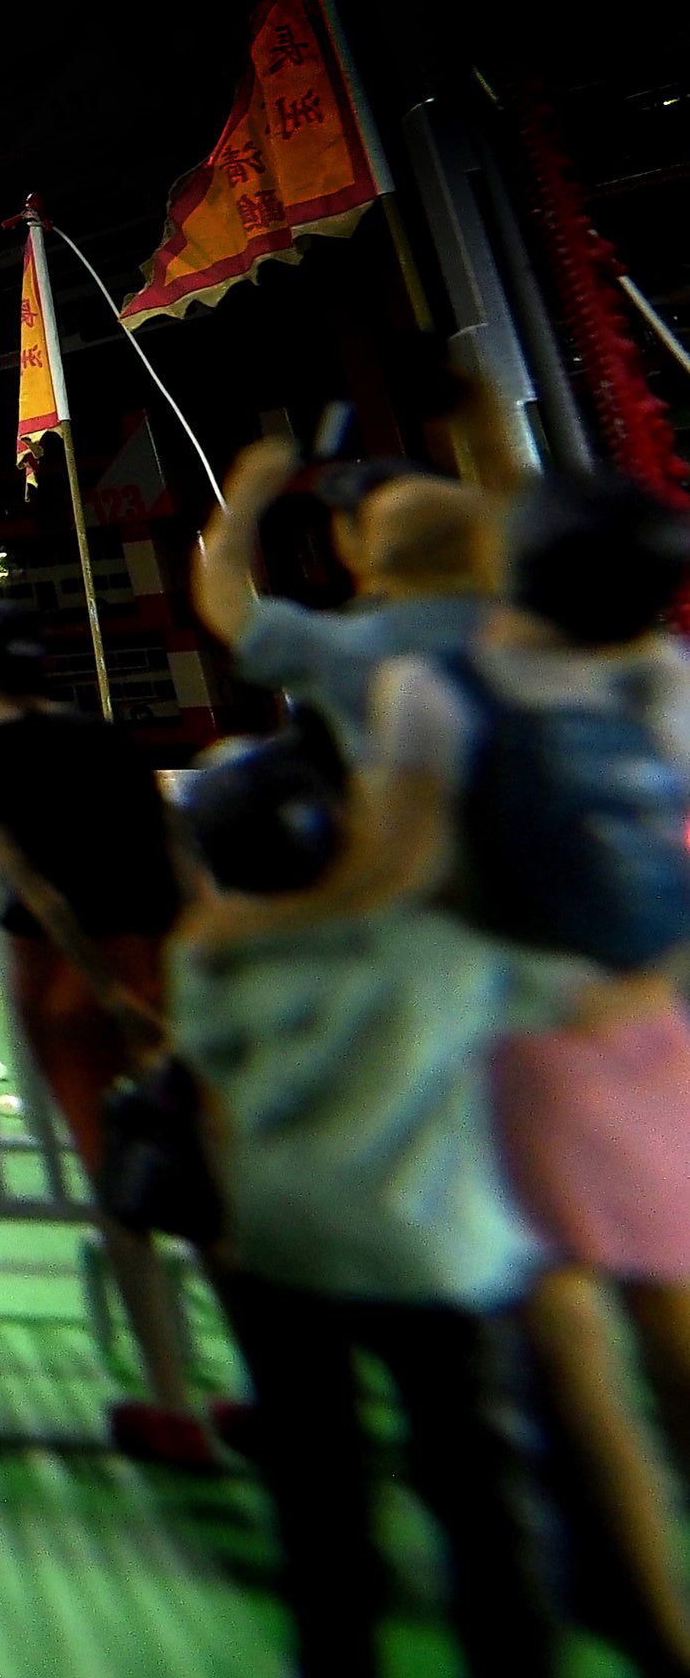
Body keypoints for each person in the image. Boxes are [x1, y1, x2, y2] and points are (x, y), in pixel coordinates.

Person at [347, 473, 690, 1672]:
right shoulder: (663, 680)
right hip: (648, 1024)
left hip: (519, 1038)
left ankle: (661, 1627)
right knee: (673, 1313)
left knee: (570, 1341)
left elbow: (400, 877)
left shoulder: (434, 691)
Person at [170, 704, 580, 1678]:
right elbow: (551, 1000)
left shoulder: (213, 950)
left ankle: (336, 1650)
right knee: (480, 1490)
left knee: (318, 1490)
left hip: (285, 1241)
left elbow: (214, 1078)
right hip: (437, 1245)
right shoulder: (437, 937)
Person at [0, 598, 211, 1467]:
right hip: (157, 961)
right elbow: (174, 855)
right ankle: (261, 1389)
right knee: (201, 1167)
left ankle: (171, 1399)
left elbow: (36, 886)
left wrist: (102, 987)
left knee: (120, 1181)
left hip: (69, 978)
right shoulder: (108, 740)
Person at [198, 439, 498, 755]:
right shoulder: (517, 618)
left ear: (358, 546)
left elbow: (227, 602)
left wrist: (248, 491)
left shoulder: (357, 647)